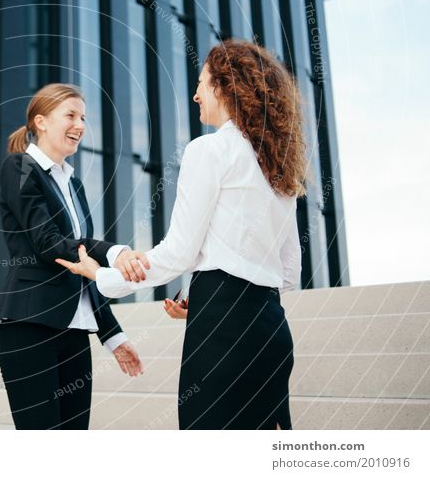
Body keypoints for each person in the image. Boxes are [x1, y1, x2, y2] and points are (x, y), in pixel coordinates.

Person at [57, 40, 307, 430]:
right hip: (272, 330)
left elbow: (178, 252)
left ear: (226, 86)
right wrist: (204, 297)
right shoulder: (276, 162)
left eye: (202, 84)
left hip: (224, 334)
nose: (195, 94)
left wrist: (100, 276)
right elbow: (289, 272)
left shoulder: (209, 150)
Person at [0, 83, 149, 430]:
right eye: (71, 115)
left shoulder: (73, 183)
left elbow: (82, 269)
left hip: (76, 334)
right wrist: (114, 251)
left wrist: (113, 336)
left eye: (83, 117)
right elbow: (48, 242)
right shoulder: (19, 167)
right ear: (42, 121)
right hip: (30, 325)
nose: (80, 125)